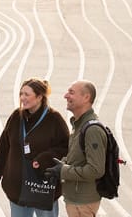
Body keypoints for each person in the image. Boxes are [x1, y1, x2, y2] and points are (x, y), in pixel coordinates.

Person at [0, 78, 70, 217]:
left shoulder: (54, 119)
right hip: (17, 186)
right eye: (21, 94)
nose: (22, 98)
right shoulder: (16, 117)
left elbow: (66, 147)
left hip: (43, 187)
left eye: (27, 94)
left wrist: (45, 158)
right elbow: (3, 147)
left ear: (39, 97)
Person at [44, 80, 106, 217]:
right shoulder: (78, 125)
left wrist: (63, 170)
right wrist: (60, 167)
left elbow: (96, 170)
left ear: (86, 98)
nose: (66, 96)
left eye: (71, 92)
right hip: (75, 199)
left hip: (83, 202)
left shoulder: (92, 130)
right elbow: (77, 159)